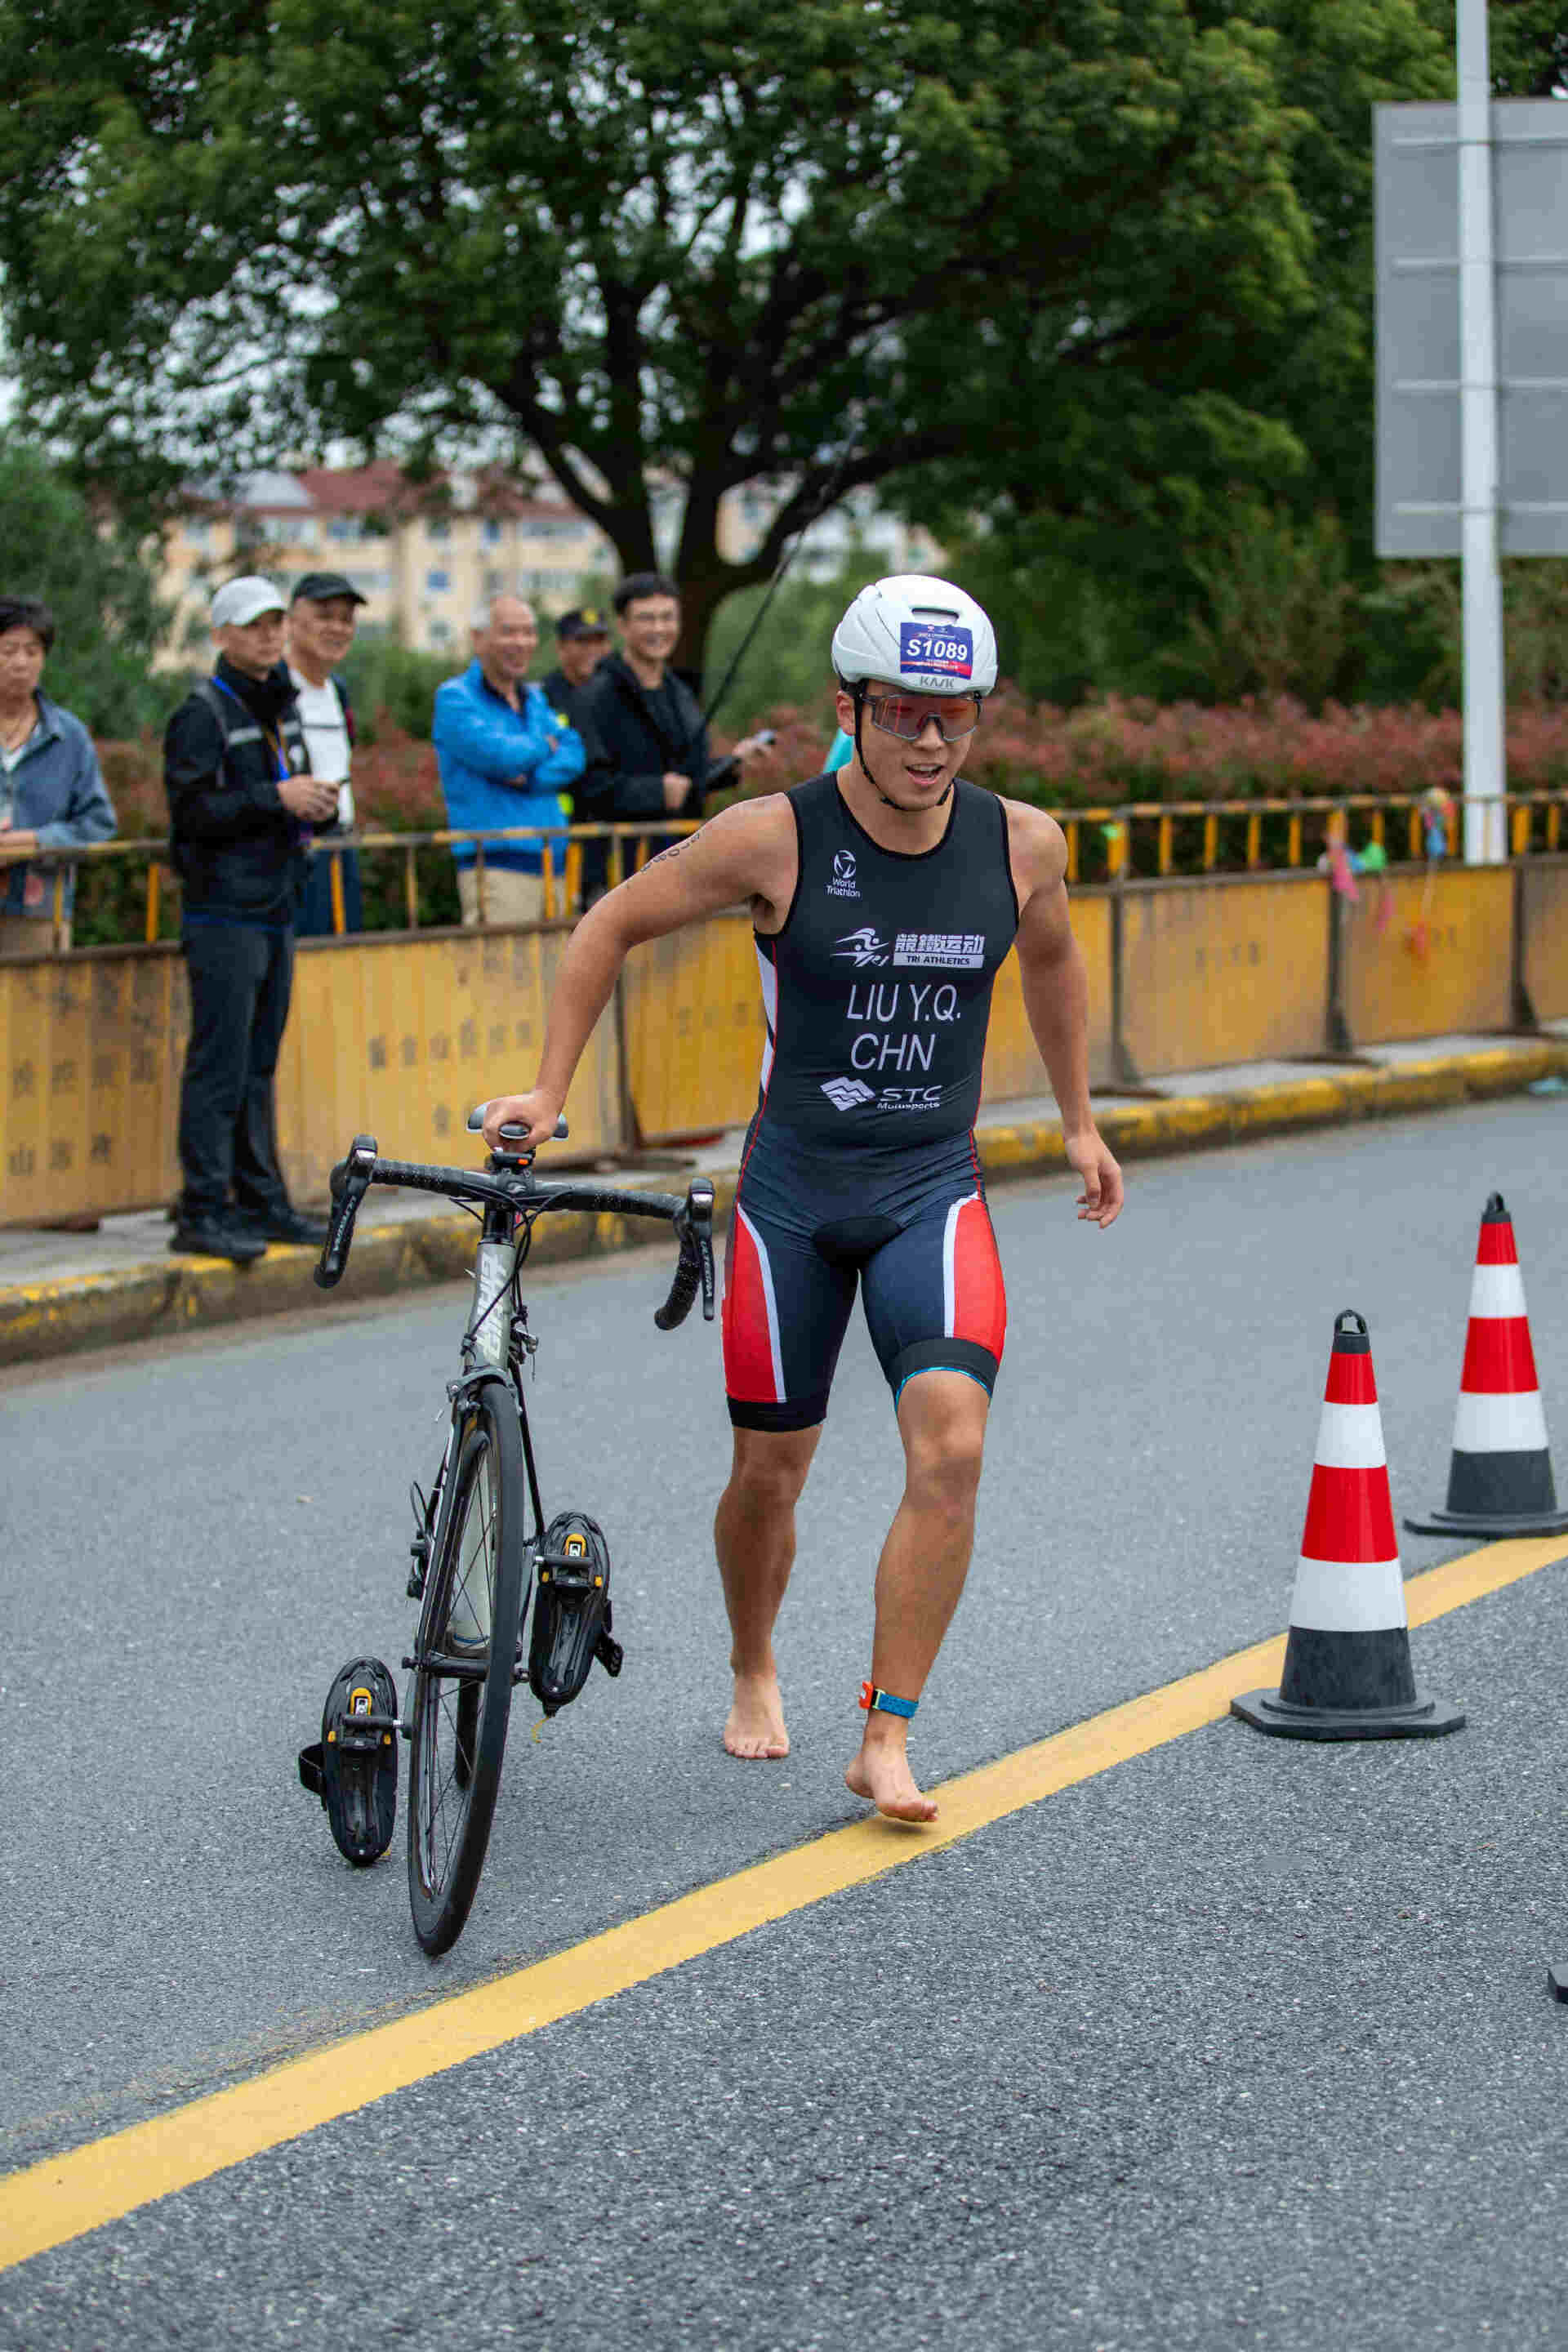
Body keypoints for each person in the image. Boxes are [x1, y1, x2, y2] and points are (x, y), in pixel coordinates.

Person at [483, 574, 1124, 1823]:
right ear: (850, 708)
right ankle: (753, 1658)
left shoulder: (1021, 842)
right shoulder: (775, 837)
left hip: (932, 1189)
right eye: (901, 715)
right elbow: (609, 922)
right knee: (770, 1476)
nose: (930, 741)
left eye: (956, 717)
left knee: (954, 1445)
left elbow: (1051, 960)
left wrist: (1081, 1119)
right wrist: (549, 1093)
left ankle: (888, 1731)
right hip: (789, 1203)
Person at [163, 576, 337, 1263]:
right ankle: (203, 1208)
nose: (267, 635)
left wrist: (313, 806)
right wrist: (277, 796)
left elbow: (274, 791)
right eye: (253, 625)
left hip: (273, 906)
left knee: (258, 1064)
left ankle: (260, 1200)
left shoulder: (279, 705)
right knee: (219, 1064)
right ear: (222, 635)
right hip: (222, 913)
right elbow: (193, 813)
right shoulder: (203, 712)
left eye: (274, 624)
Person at [575, 572, 767, 901]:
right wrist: (655, 792)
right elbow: (588, 786)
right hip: (616, 876)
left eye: (667, 618)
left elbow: (686, 777)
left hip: (681, 868)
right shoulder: (596, 696)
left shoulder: (679, 692)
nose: (659, 629)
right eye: (646, 619)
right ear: (622, 626)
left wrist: (731, 765)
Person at [433, 595, 585, 926]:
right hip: (496, 865)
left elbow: (575, 754)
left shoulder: (535, 698)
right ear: (478, 638)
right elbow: (500, 758)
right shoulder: (455, 698)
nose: (522, 642)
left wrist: (530, 777)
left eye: (529, 633)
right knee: (501, 977)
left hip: (554, 863)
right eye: (509, 632)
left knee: (557, 976)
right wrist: (546, 745)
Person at [0, 595, 116, 957]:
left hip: (38, 914)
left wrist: (34, 841)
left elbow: (98, 824)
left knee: (31, 1014)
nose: (20, 662)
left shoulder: (69, 736)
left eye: (32, 651)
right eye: (8, 650)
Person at [287, 571, 365, 938]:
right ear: (291, 619)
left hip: (342, 848)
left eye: (346, 619)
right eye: (325, 616)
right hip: (295, 855)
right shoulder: (275, 690)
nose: (337, 628)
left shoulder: (340, 692)